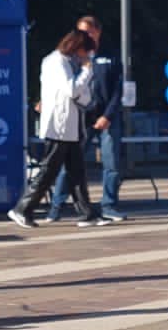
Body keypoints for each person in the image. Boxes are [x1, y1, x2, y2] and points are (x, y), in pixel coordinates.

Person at [9, 29, 102, 228]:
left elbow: (82, 95)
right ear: (77, 47)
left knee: (76, 171)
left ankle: (87, 213)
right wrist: (87, 71)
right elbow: (71, 90)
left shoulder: (67, 62)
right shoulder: (56, 62)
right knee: (48, 171)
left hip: (71, 127)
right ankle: (22, 209)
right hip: (59, 127)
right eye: (85, 51)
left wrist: (83, 82)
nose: (86, 57)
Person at [47, 13, 125, 224]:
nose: (85, 36)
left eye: (89, 32)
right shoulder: (73, 57)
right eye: (81, 32)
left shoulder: (111, 54)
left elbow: (119, 89)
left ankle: (109, 205)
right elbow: (65, 86)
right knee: (71, 163)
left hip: (107, 117)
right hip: (82, 117)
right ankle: (57, 206)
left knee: (112, 164)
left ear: (97, 32)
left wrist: (107, 115)